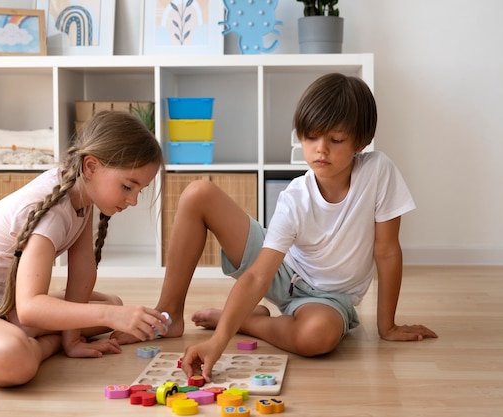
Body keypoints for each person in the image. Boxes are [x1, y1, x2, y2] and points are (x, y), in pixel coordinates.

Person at [111, 73, 438, 381]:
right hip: (281, 269)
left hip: (328, 299)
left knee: (317, 337)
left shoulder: (379, 172)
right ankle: (169, 316)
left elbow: (387, 250)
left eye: (335, 139)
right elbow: (258, 274)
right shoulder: (295, 196)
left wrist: (387, 327)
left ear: (361, 142)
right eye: (310, 137)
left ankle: (251, 324)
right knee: (198, 193)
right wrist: (219, 343)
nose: (320, 148)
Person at [0, 111, 170, 387]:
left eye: (140, 190)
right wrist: (106, 319)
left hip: (8, 308)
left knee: (112, 303)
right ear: (91, 167)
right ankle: (39, 345)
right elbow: (31, 309)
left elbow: (81, 275)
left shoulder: (80, 194)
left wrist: (74, 339)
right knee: (14, 359)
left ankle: (34, 336)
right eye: (128, 186)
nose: (133, 200)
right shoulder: (52, 209)